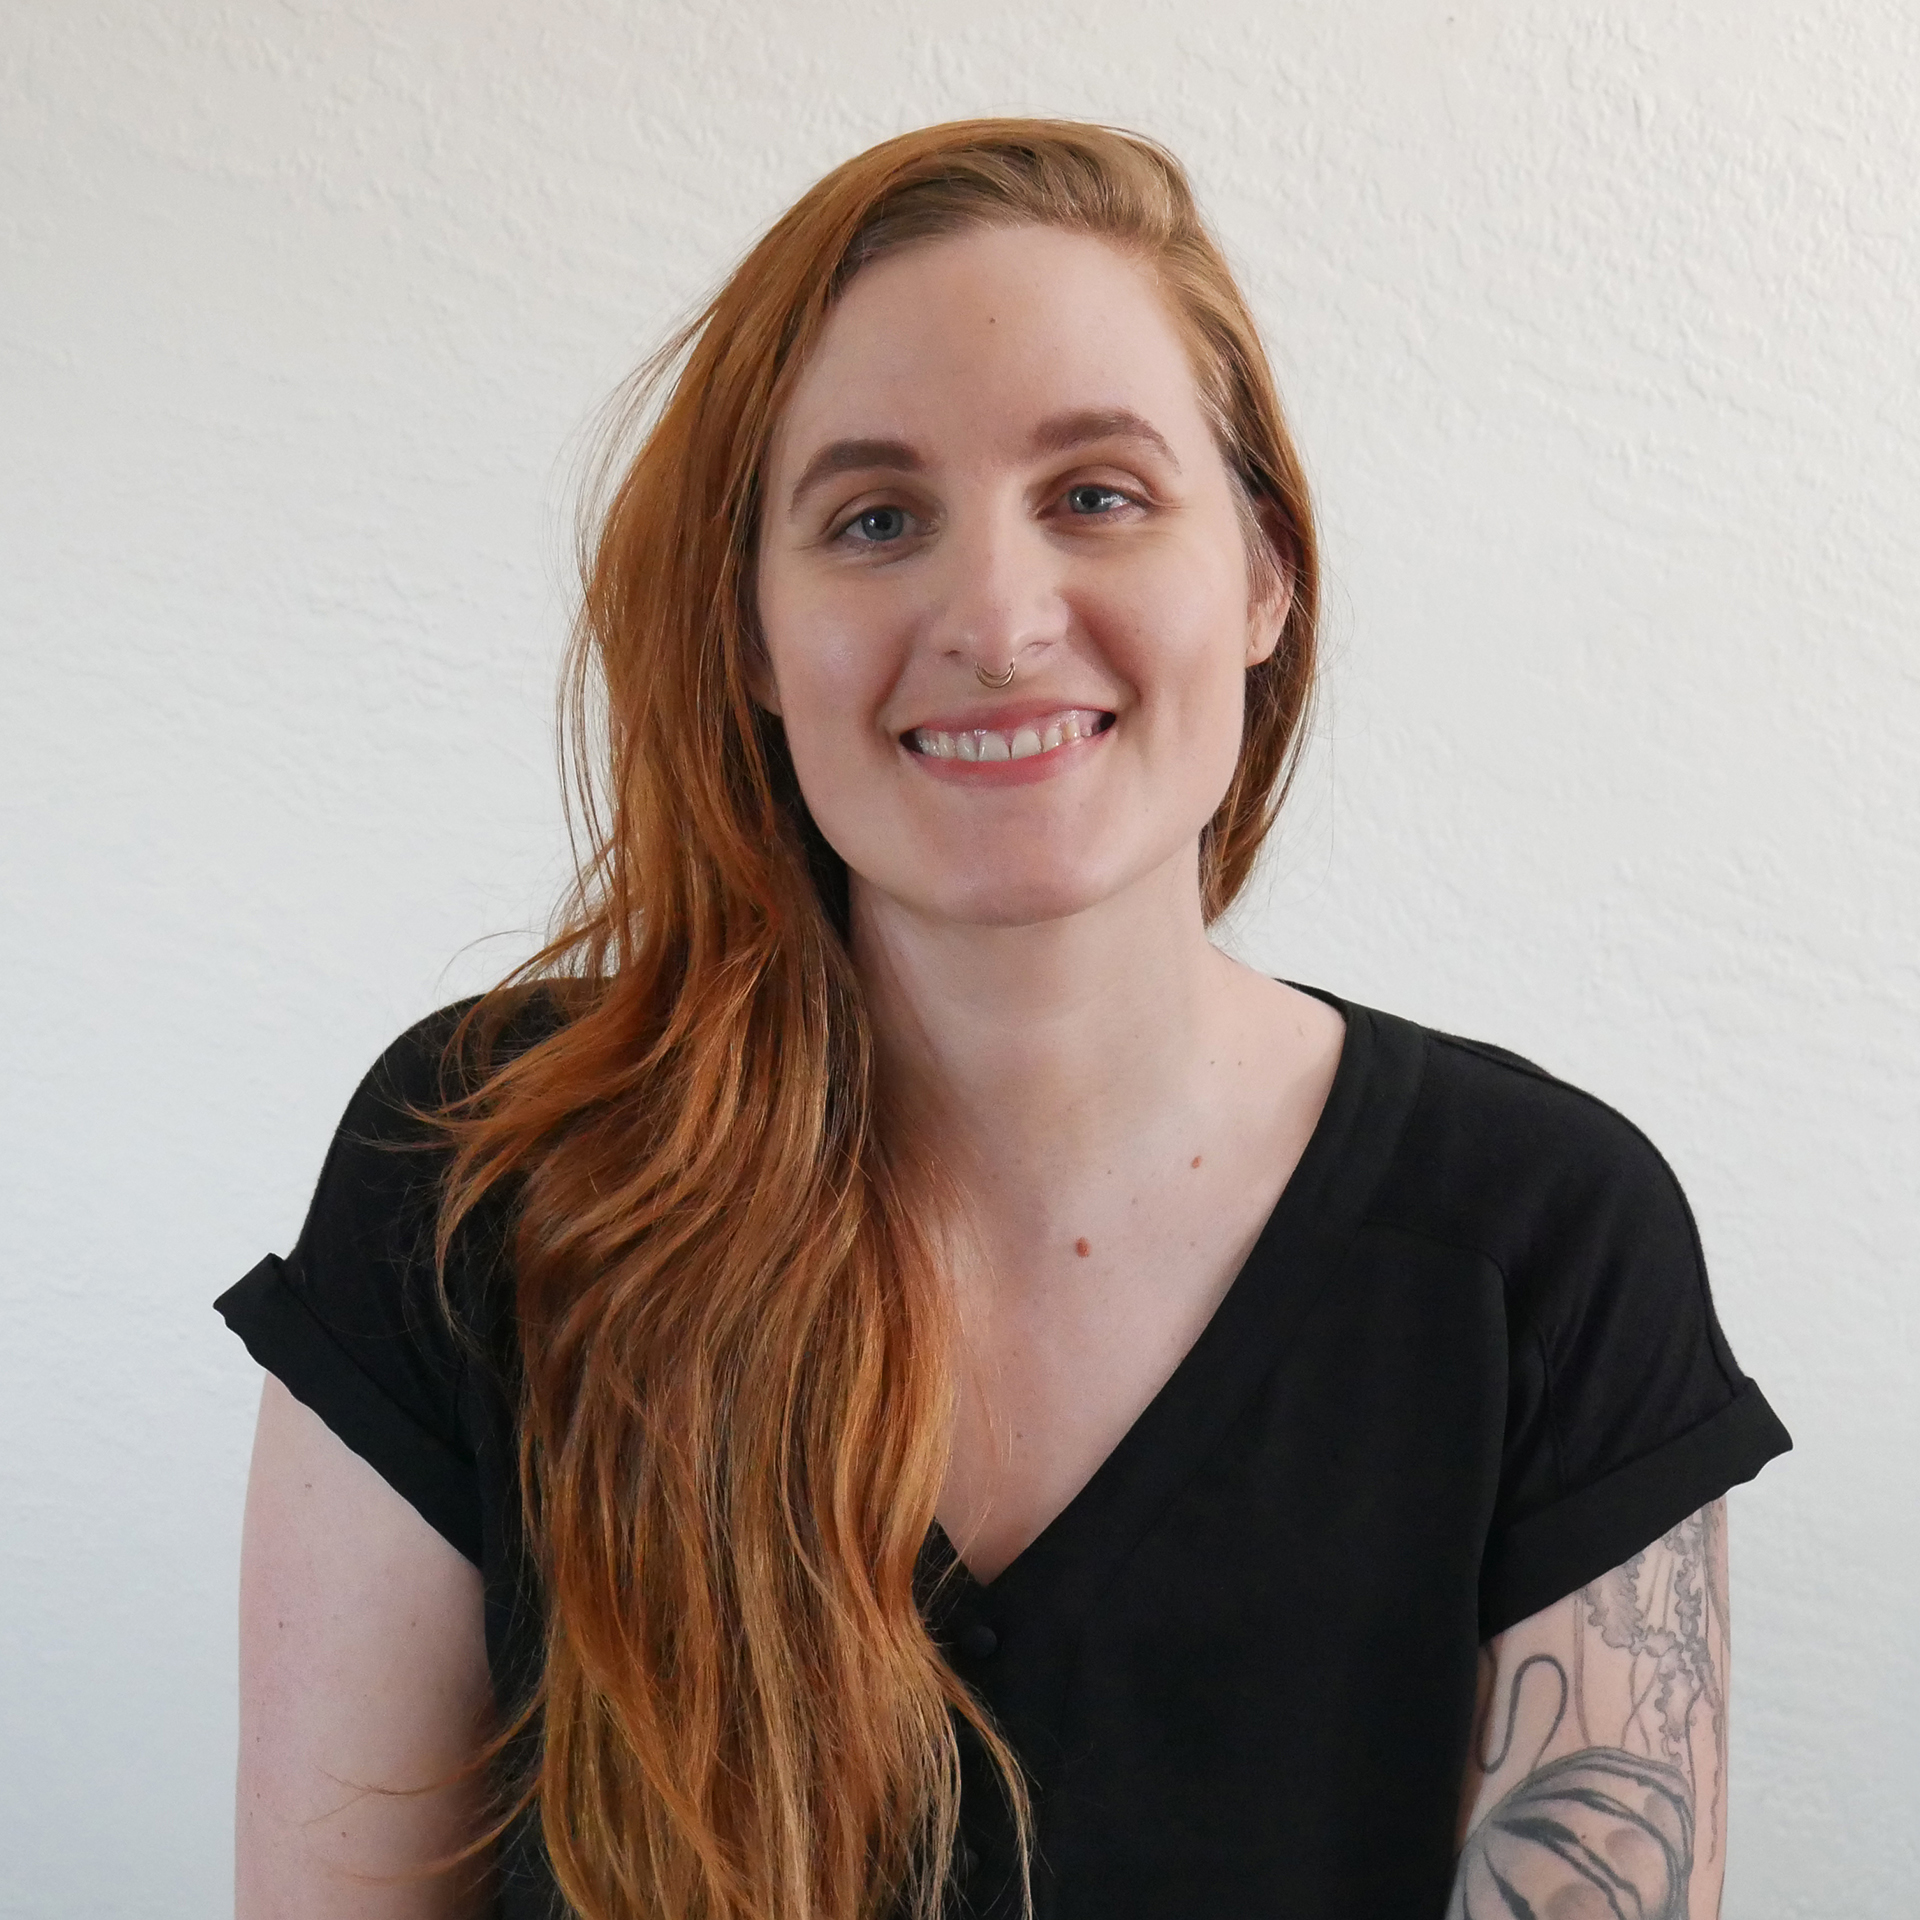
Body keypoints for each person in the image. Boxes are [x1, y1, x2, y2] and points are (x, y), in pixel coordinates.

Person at [218, 120, 1791, 1920]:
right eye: (876, 519)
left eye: (1097, 495)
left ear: (1264, 575)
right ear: (749, 637)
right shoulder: (479, 1172)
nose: (995, 617)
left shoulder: (1546, 1244)